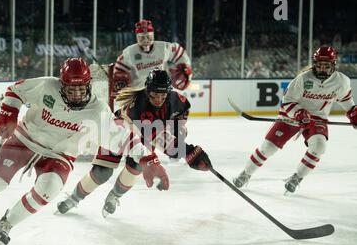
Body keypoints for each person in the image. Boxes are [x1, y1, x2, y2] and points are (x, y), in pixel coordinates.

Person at [0, 58, 170, 245]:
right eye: (72, 89)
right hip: (24, 139)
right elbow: (16, 90)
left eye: (82, 88)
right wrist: (8, 114)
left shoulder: (98, 109)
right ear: (62, 84)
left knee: (49, 188)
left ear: (89, 85)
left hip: (59, 154)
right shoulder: (47, 86)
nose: (77, 94)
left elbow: (123, 137)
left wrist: (149, 159)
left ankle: (6, 223)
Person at [56, 69, 212, 217]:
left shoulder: (178, 101)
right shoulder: (137, 107)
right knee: (102, 173)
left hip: (146, 137)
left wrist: (182, 136)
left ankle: (113, 196)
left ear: (168, 92)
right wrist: (187, 151)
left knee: (136, 167)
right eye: (153, 95)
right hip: (118, 135)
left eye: (162, 95)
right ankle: (74, 198)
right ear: (147, 91)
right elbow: (160, 141)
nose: (158, 99)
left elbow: (179, 121)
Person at [233, 46, 357, 194]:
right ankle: (246, 173)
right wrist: (299, 114)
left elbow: (347, 102)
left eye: (326, 66)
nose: (322, 69)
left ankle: (297, 178)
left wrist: (353, 114)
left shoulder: (342, 82)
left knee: (319, 147)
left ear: (334, 65)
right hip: (291, 116)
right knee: (268, 148)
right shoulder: (303, 79)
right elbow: (287, 101)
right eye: (319, 65)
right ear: (314, 64)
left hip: (317, 117)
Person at [112, 19, 193, 102]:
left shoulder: (164, 48)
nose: (146, 40)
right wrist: (120, 81)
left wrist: (186, 68)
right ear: (137, 37)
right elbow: (120, 68)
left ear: (153, 35)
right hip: (139, 94)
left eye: (148, 37)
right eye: (142, 37)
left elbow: (180, 53)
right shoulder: (130, 52)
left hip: (161, 91)